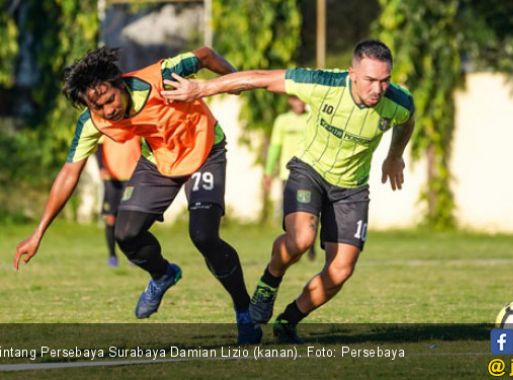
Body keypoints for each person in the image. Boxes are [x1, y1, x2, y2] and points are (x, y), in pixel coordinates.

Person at [162, 39, 415, 343]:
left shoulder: (399, 102)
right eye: (370, 80)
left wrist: (394, 155)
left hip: (351, 189)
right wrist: (201, 89)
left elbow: (407, 121)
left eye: (385, 80)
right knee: (301, 239)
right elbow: (260, 78)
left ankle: (288, 320)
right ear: (352, 74)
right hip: (309, 171)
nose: (378, 89)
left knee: (341, 270)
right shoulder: (325, 84)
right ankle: (269, 282)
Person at [13, 46, 261, 344]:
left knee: (204, 236)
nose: (108, 111)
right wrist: (38, 232)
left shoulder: (162, 75)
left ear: (120, 83)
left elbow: (206, 55)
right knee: (126, 233)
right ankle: (162, 274)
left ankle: (244, 312)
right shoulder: (92, 122)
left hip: (205, 150)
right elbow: (69, 173)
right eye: (98, 107)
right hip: (158, 160)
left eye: (109, 100)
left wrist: (231, 81)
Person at [263, 96, 316, 260]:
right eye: (295, 100)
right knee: (290, 213)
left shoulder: (312, 119)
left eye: (301, 100)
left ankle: (310, 245)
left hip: (309, 174)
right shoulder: (282, 121)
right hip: (288, 175)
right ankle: (293, 244)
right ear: (290, 101)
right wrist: (268, 171)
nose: (299, 103)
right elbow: (275, 147)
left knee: (310, 211)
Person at [96, 135, 141, 267]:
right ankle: (112, 255)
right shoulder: (107, 124)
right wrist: (101, 168)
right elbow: (98, 149)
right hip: (111, 179)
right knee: (110, 219)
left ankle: (132, 255)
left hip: (132, 177)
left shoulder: (137, 123)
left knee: (132, 219)